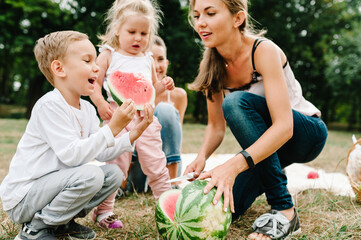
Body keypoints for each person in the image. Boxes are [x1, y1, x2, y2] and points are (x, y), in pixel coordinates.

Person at [184, 0, 328, 239]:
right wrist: (201, 158)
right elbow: (215, 126)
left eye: (210, 13)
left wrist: (233, 165)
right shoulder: (210, 64)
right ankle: (262, 191)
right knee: (226, 206)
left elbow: (284, 127)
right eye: (197, 15)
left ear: (237, 19)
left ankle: (285, 211)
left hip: (305, 134)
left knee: (235, 102)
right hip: (269, 145)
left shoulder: (263, 51)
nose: (200, 22)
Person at [0, 30, 153, 240]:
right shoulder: (50, 106)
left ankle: (60, 223)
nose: (97, 67)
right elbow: (72, 156)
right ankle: (35, 229)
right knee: (92, 175)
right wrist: (112, 128)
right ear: (59, 68)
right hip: (24, 198)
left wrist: (134, 133)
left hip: (52, 190)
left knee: (113, 174)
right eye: (87, 60)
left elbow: (101, 152)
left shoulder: (87, 110)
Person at [89, 0, 173, 229]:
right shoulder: (108, 54)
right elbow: (93, 83)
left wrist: (164, 85)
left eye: (144, 33)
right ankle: (104, 212)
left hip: (145, 118)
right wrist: (99, 103)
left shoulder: (147, 58)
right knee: (116, 166)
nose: (138, 38)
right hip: (116, 117)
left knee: (156, 162)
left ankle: (168, 207)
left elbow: (152, 88)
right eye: (132, 32)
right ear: (117, 30)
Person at [126, 36, 188, 191]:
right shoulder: (129, 93)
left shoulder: (178, 95)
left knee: (164, 109)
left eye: (160, 59)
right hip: (138, 166)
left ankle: (172, 185)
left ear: (166, 63)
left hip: (168, 166)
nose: (156, 65)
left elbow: (176, 139)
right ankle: (123, 184)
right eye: (150, 59)